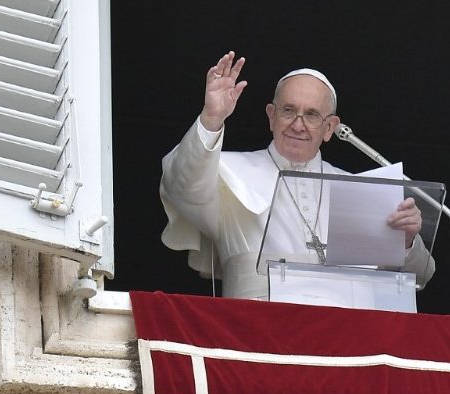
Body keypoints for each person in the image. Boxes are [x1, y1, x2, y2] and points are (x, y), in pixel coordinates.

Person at [160, 51, 435, 299]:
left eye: (312, 115)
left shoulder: (359, 189)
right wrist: (211, 118)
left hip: (346, 340)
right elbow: (181, 184)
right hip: (254, 331)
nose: (298, 125)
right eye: (289, 111)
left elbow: (419, 278)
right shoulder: (226, 170)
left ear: (330, 128)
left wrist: (406, 240)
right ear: (271, 116)